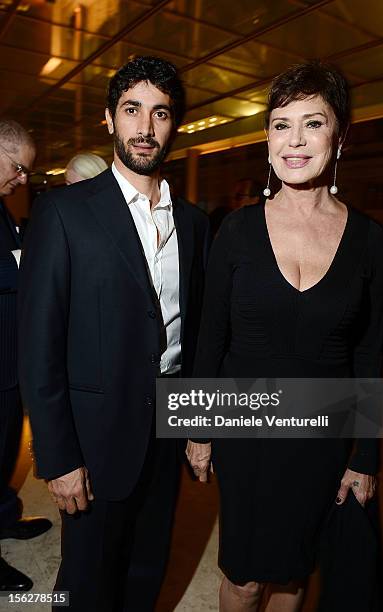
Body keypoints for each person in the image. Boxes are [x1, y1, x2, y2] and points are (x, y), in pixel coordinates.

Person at [187, 61, 383, 611]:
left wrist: (367, 456)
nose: (294, 140)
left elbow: (370, 354)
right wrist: (196, 430)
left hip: (321, 436)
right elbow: (210, 338)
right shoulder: (236, 229)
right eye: (281, 124)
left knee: (297, 571)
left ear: (340, 137)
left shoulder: (370, 240)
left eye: (313, 123)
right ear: (268, 138)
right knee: (244, 575)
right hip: (244, 426)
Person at [18, 56, 209, 611]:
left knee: (147, 569)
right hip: (95, 439)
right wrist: (56, 458)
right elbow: (38, 348)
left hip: (166, 427)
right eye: (132, 110)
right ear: (109, 119)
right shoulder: (63, 213)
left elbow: (193, 337)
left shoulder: (195, 224)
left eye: (160, 113)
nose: (145, 128)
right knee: (87, 580)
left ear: (174, 125)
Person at [0, 119, 52, 591]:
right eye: (18, 168)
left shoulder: (1, 208)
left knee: (3, 454)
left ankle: (3, 518)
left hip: (9, 363)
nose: (22, 179)